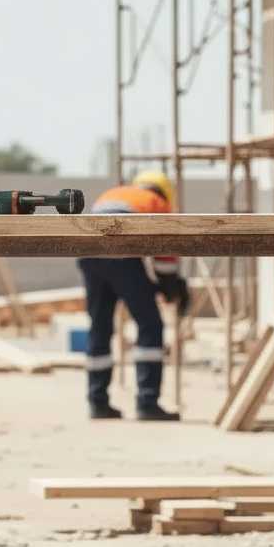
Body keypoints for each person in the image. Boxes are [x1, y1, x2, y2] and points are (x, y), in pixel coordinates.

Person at [78, 170, 189, 422]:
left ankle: (97, 403)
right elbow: (165, 256)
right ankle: (147, 403)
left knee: (100, 327)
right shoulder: (157, 203)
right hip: (121, 254)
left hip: (88, 253)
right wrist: (171, 286)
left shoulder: (113, 193)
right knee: (150, 325)